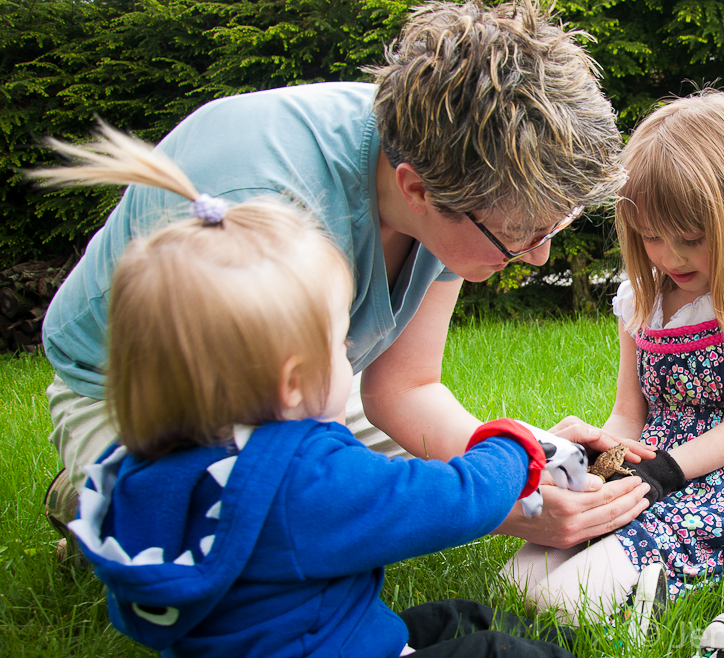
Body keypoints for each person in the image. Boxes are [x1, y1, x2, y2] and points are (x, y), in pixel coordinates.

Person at [41, 0, 655, 558]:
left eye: (554, 227)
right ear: (418, 189)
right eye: (521, 237)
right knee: (258, 547)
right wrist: (500, 511)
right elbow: (277, 464)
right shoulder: (272, 210)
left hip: (298, 386)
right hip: (159, 394)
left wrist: (526, 468)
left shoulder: (456, 174)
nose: (539, 257)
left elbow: (404, 388)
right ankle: (101, 496)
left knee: (419, 482)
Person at [36, 125, 594, 658]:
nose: (353, 344)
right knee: (503, 654)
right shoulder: (305, 479)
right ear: (290, 380)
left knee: (459, 618)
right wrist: (511, 450)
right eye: (337, 339)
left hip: (318, 632)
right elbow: (444, 501)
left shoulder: (155, 472)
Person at [502, 90, 724, 634]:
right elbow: (628, 412)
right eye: (651, 238)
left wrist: (659, 475)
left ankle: (650, 595)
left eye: (691, 239)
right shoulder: (640, 299)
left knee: (567, 603)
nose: (669, 257)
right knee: (516, 584)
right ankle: (628, 582)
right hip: (648, 465)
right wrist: (605, 466)